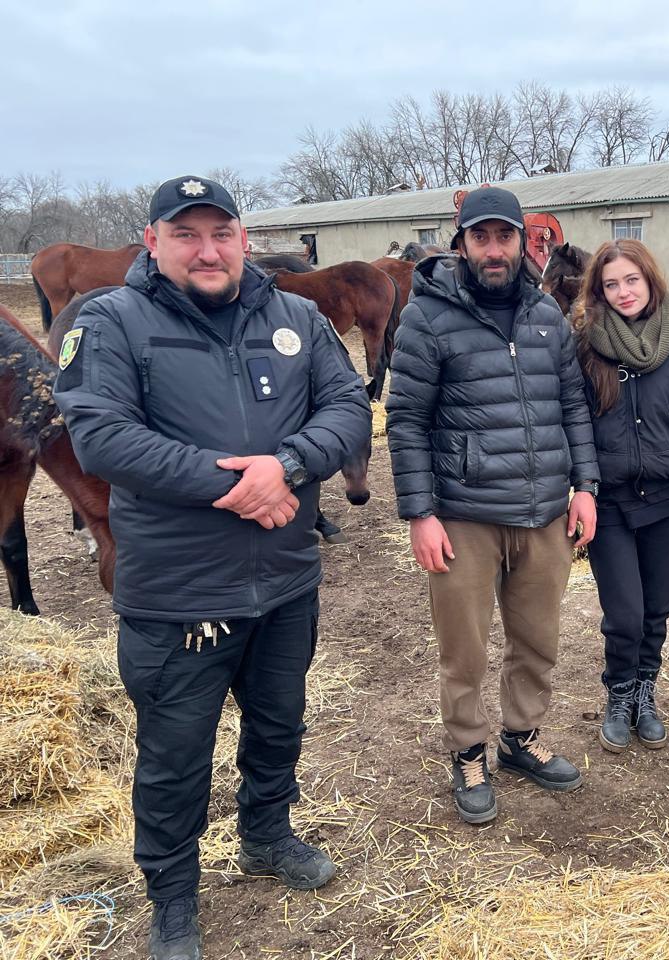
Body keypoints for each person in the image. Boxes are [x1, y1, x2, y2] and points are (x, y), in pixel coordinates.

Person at [53, 175, 372, 960]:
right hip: (179, 593)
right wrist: (241, 485)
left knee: (278, 725)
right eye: (186, 234)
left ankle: (267, 835)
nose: (206, 249)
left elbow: (348, 408)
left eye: (220, 232)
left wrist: (288, 463)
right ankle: (172, 895)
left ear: (242, 236)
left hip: (285, 581)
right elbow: (103, 439)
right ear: (153, 240)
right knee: (173, 752)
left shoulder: (296, 316)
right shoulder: (110, 323)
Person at [386, 186, 600, 824]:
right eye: (480, 237)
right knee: (466, 648)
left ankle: (522, 737)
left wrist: (585, 487)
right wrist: (420, 513)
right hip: (464, 515)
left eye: (504, 236)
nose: (494, 249)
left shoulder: (545, 317)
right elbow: (405, 420)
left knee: (537, 640)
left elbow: (572, 409)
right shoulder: (427, 318)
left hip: (543, 514)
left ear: (520, 241)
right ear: (461, 244)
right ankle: (467, 749)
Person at [572, 239, 669, 753]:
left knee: (658, 607)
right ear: (598, 291)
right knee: (625, 612)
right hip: (610, 502)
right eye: (611, 284)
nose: (623, 292)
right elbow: (573, 426)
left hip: (665, 500)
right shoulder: (585, 348)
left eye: (631, 280)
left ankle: (645, 690)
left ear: (650, 280)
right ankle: (618, 691)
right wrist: (579, 490)